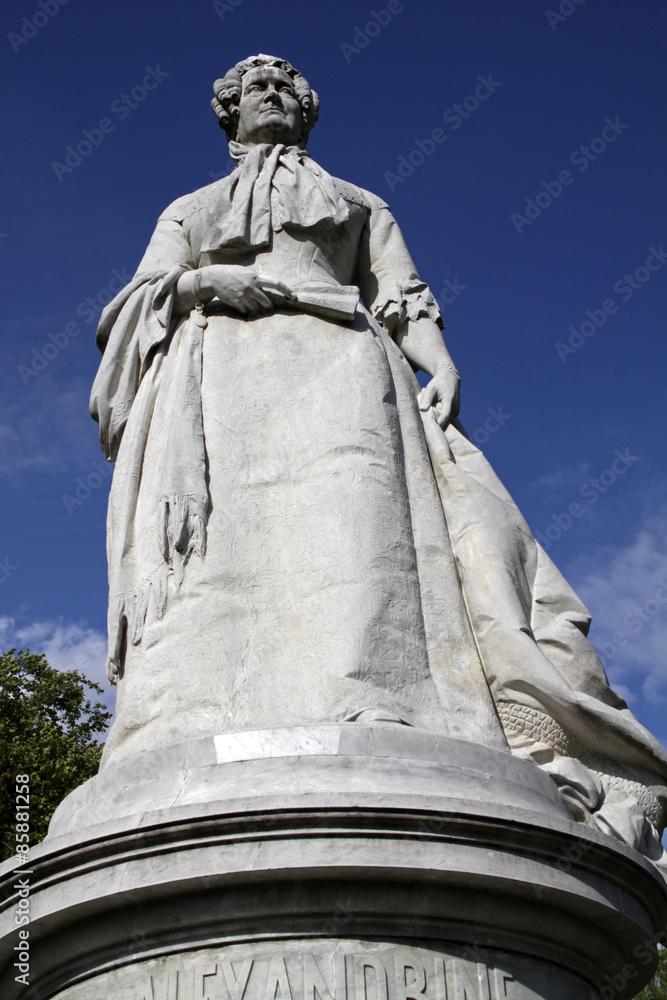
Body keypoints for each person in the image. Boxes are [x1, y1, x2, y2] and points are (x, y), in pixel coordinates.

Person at [91, 54, 667, 867]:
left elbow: (401, 296)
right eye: (256, 89)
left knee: (358, 528)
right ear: (228, 116)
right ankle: (199, 709)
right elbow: (138, 298)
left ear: (306, 112)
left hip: (348, 365)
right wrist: (207, 283)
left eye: (287, 89)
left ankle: (372, 696)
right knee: (226, 544)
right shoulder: (189, 208)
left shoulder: (358, 203)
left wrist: (440, 360)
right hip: (221, 376)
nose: (273, 97)